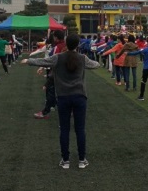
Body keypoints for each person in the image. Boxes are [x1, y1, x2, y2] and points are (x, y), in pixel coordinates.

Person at [22, 34, 100, 169]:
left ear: (66, 45)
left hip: (63, 97)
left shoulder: (58, 57)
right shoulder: (82, 58)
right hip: (80, 96)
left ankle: (65, 160)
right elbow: (96, 65)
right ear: (78, 45)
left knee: (64, 129)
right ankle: (82, 160)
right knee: (80, 129)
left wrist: (28, 61)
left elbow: (43, 61)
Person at [126, 36, 148, 101]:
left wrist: (128, 53)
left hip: (146, 68)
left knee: (143, 82)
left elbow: (136, 53)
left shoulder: (146, 49)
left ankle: (141, 96)